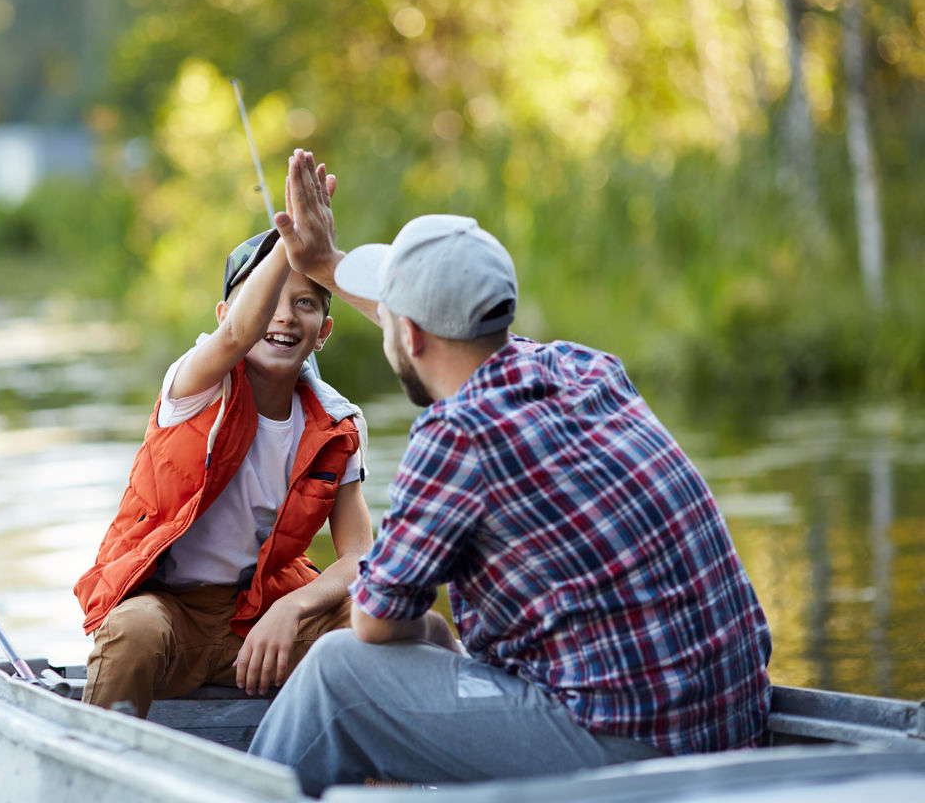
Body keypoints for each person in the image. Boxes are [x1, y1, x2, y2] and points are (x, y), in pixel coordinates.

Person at [247, 150, 773, 794]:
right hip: (737, 726)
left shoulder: (455, 435)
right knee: (434, 642)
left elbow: (377, 622)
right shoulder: (585, 369)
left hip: (634, 754)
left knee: (337, 673)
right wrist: (325, 265)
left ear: (409, 336)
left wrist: (427, 633)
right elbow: (430, 329)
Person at [73, 220, 374, 718]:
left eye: (304, 302)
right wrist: (292, 241)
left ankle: (387, 781)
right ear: (225, 315)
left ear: (323, 331)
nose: (284, 316)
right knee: (135, 630)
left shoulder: (338, 425)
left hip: (261, 619)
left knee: (379, 615)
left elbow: (360, 557)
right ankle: (96, 770)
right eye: (270, 297)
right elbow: (237, 335)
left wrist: (291, 609)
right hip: (170, 611)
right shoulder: (195, 384)